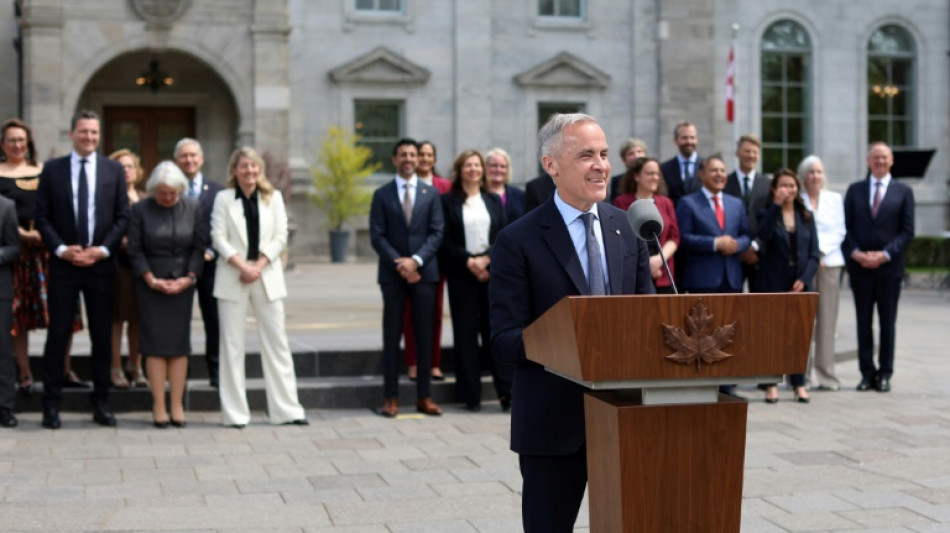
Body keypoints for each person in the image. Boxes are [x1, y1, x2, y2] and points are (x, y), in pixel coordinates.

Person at [490, 113, 655, 532]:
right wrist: (569, 337)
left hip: (626, 419)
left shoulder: (629, 229)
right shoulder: (517, 240)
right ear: (551, 165)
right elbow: (504, 340)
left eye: (604, 154)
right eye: (586, 155)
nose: (601, 165)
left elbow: (649, 318)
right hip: (552, 425)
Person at [34, 109, 129, 429]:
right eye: (84, 131)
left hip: (101, 266)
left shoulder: (113, 170)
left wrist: (102, 250)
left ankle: (101, 402)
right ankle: (51, 405)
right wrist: (63, 250)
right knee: (58, 334)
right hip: (65, 265)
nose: (89, 137)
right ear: (72, 133)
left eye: (94, 132)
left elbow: (122, 217)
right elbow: (42, 217)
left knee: (102, 336)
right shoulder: (53, 169)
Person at [211, 147, 308, 427]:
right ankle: (235, 414)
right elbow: (218, 237)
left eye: (254, 166)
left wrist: (259, 264)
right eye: (244, 166)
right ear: (234, 170)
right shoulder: (223, 198)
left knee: (277, 343)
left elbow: (281, 235)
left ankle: (287, 410)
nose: (249, 171)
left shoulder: (273, 197)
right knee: (231, 346)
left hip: (267, 275)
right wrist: (243, 266)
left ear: (260, 169)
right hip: (233, 275)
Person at [0, 119, 85, 396]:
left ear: (29, 143)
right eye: (11, 140)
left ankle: (64, 368)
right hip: (17, 256)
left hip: (52, 252)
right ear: (2, 144)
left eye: (21, 139)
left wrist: (47, 235)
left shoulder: (45, 171)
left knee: (63, 313)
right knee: (19, 318)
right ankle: (25, 373)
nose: (17, 145)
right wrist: (22, 234)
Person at [369, 138, 444, 418]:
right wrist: (400, 264)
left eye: (413, 155)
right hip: (392, 275)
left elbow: (437, 232)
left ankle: (424, 396)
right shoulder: (382, 194)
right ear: (394, 159)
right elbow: (377, 235)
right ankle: (390, 397)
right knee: (392, 337)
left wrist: (416, 261)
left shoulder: (431, 193)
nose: (409, 159)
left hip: (424, 273)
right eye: (403, 155)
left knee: (424, 336)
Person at [128, 161, 206, 428]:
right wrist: (150, 279)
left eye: (173, 193)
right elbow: (135, 250)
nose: (168, 198)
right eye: (162, 193)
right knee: (155, 346)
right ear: (153, 190)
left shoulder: (192, 207)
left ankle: (177, 405)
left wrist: (189, 277)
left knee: (178, 345)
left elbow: (199, 247)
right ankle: (159, 405)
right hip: (151, 285)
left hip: (182, 286)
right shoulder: (140, 209)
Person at [440, 149, 511, 412]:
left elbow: (503, 234)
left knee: (495, 331)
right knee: (466, 333)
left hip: (491, 274)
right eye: (468, 165)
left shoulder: (492, 200)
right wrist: (469, 261)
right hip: (462, 275)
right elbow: (444, 238)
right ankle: (471, 395)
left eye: (477, 165)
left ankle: (506, 392)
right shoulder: (447, 201)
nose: (473, 169)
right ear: (460, 171)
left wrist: (486, 259)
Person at [842, 142, 915, 393]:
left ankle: (885, 373)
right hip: (860, 268)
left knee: (887, 323)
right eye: (876, 157)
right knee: (863, 322)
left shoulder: (903, 191)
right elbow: (845, 228)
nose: (880, 161)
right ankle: (866, 373)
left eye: (884, 157)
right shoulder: (855, 190)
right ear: (868, 160)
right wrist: (856, 253)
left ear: (891, 160)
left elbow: (907, 231)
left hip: (889, 269)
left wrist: (885, 255)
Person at [752, 169, 820, 403]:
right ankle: (770, 384)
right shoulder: (766, 213)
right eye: (783, 185)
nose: (788, 190)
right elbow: (763, 236)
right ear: (774, 189)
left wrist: (805, 278)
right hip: (773, 281)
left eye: (792, 186)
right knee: (772, 334)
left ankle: (799, 384)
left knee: (798, 335)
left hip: (800, 281)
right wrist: (776, 206)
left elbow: (814, 253)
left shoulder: (806, 215)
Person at [174, 138, 223, 387]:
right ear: (176, 160)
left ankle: (216, 371)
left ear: (201, 159)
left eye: (193, 155)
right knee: (179, 321)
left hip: (209, 265)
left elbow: (223, 226)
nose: (189, 160)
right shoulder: (169, 189)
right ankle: (182, 371)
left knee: (213, 320)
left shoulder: (217, 191)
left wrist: (211, 251)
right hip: (178, 266)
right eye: (184, 156)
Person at [403, 140, 449, 383]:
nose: (425, 159)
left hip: (438, 259)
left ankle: (433, 363)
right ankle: (413, 362)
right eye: (421, 154)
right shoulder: (407, 186)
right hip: (412, 260)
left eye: (429, 155)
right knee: (410, 313)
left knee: (436, 313)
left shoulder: (445, 187)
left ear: (434, 159)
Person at [799, 155, 846, 391]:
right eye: (811, 172)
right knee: (804, 321)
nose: (815, 176)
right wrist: (812, 257)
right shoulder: (797, 199)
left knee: (827, 321)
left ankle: (827, 375)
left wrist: (821, 252)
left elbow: (840, 231)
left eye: (819, 172)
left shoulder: (834, 199)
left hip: (830, 264)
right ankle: (802, 377)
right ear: (804, 175)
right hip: (804, 266)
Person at [676, 153, 751, 294]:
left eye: (722, 170)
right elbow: (684, 238)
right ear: (702, 174)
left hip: (732, 279)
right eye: (714, 170)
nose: (719, 174)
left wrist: (736, 244)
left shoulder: (736, 203)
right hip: (702, 280)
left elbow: (746, 235)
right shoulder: (688, 203)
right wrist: (715, 243)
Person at [108, 149, 147, 388]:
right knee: (116, 319)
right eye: (120, 167)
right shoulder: (109, 196)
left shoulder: (145, 197)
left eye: (130, 166)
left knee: (138, 319)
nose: (126, 171)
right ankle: (115, 367)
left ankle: (135, 365)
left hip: (141, 267)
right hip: (118, 265)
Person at [613, 157, 680, 293]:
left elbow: (674, 237)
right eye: (650, 173)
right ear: (636, 176)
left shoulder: (666, 203)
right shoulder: (621, 202)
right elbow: (619, 238)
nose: (655, 177)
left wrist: (658, 260)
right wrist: (645, 264)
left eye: (657, 174)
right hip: (634, 272)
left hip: (663, 273)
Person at [723, 134, 771, 289]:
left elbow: (771, 219)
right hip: (731, 255)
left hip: (759, 256)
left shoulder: (768, 184)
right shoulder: (724, 183)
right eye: (747, 151)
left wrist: (756, 246)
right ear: (737, 153)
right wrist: (738, 247)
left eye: (754, 152)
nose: (751, 155)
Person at [0, 192, 21, 428]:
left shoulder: (6, 206)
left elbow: (14, 246)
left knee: (3, 350)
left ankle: (5, 407)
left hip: (1, 291)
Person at [659, 121, 702, 207]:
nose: (689, 141)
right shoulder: (665, 168)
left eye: (692, 137)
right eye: (684, 138)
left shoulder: (706, 167)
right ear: (675, 140)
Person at [485, 147, 526, 223]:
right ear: (485, 167)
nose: (498, 169)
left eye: (503, 166)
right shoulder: (477, 194)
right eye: (494, 165)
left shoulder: (520, 195)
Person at [608, 137, 648, 202]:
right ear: (624, 160)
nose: (636, 156)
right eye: (631, 153)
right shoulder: (617, 181)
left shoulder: (654, 176)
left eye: (639, 152)